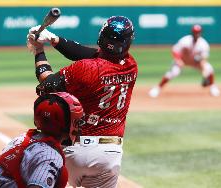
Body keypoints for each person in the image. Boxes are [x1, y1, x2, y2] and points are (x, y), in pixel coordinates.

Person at [27, 16, 138, 188]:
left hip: (74, 151)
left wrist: (39, 50)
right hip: (109, 155)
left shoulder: (84, 68)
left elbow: (45, 85)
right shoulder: (131, 65)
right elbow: (93, 54)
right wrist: (53, 39)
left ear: (101, 36)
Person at [0, 92, 84, 188]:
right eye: (76, 121)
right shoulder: (50, 156)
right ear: (65, 124)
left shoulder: (22, 139)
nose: (79, 126)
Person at [149, 24, 221, 97]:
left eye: (198, 32)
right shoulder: (185, 40)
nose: (197, 34)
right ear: (192, 32)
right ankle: (157, 89)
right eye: (195, 32)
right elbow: (175, 50)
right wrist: (178, 60)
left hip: (195, 62)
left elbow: (203, 59)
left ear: (201, 33)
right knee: (173, 72)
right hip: (182, 60)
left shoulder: (203, 44)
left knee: (209, 68)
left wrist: (205, 73)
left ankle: (213, 88)